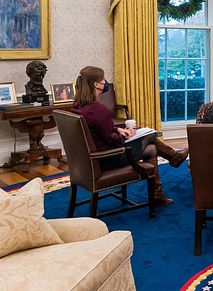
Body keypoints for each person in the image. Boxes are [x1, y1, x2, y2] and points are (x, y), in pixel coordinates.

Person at [71, 65, 188, 206]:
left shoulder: (77, 107)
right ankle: (175, 158)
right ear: (96, 84)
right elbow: (113, 141)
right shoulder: (98, 110)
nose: (105, 83)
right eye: (103, 80)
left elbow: (97, 130)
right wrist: (127, 136)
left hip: (88, 161)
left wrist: (117, 129)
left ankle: (158, 193)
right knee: (149, 136)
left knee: (151, 149)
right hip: (108, 158)